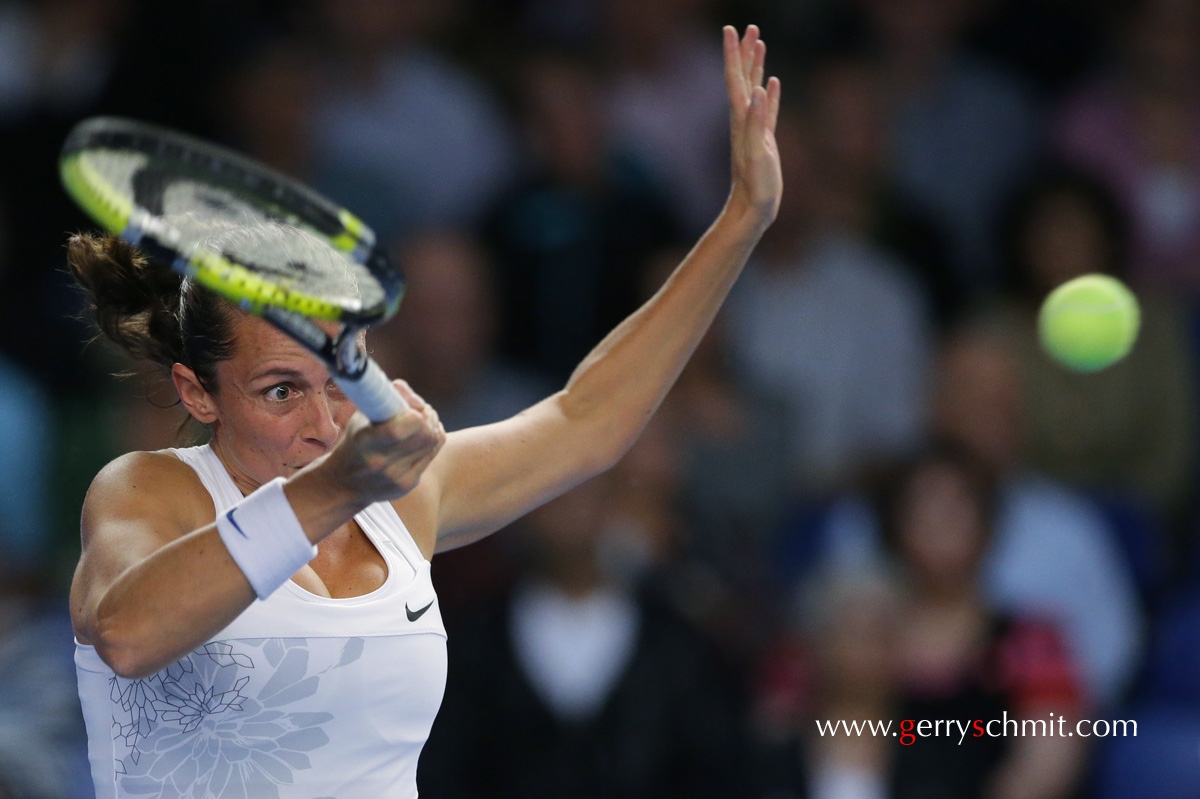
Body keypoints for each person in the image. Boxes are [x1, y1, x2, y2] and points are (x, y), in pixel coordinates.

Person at [66, 25, 782, 799]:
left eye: (339, 379)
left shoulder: (406, 497)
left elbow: (588, 421)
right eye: (281, 390)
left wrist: (741, 218)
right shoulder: (144, 490)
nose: (321, 417)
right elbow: (126, 634)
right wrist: (335, 487)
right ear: (196, 391)